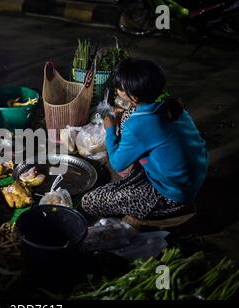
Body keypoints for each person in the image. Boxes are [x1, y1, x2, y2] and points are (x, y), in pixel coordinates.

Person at [81, 58, 208, 220]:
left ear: (133, 96)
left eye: (120, 88)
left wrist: (110, 129)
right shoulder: (171, 104)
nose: (117, 90)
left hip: (172, 193)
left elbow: (117, 163)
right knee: (127, 115)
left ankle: (170, 209)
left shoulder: (140, 125)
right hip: (191, 176)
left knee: (90, 201)